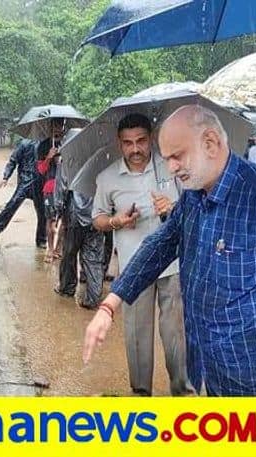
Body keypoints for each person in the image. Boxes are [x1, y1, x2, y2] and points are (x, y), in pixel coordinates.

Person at [83, 105, 256, 396]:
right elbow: (158, 246)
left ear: (210, 143)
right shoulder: (193, 198)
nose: (170, 167)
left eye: (176, 156)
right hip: (211, 367)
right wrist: (110, 304)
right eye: (167, 158)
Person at [91, 113, 188, 396]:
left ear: (152, 138)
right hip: (134, 268)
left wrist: (172, 208)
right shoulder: (107, 177)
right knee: (136, 334)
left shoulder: (173, 167)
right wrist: (116, 222)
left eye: (141, 141)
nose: (135, 149)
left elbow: (197, 206)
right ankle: (141, 393)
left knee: (177, 335)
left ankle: (182, 393)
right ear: (119, 144)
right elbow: (97, 218)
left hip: (174, 265)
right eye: (128, 143)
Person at [0, 132, 55, 248]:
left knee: (42, 211)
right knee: (12, 204)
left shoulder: (47, 143)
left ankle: (41, 240)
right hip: (25, 180)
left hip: (40, 182)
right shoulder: (24, 143)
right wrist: (6, 176)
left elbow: (49, 165)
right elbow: (13, 160)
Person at [53, 159, 104, 309]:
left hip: (74, 214)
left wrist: (58, 210)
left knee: (69, 254)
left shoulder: (68, 158)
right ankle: (93, 298)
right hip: (97, 213)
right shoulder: (102, 159)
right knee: (94, 258)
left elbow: (61, 187)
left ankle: (67, 288)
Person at [37, 136, 62, 262]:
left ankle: (58, 248)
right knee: (50, 220)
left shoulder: (68, 141)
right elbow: (41, 170)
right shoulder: (44, 145)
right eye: (56, 124)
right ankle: (50, 249)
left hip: (65, 187)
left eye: (61, 124)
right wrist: (49, 157)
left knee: (65, 221)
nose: (59, 127)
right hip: (50, 187)